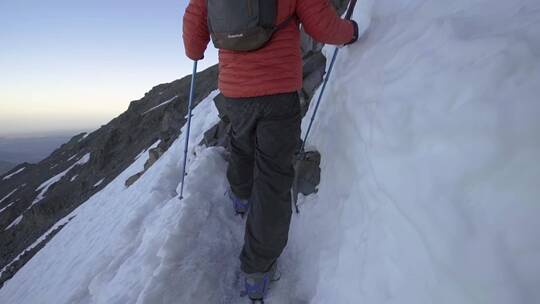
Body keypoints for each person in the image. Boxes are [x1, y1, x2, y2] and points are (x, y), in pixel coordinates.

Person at [183, 0, 358, 300]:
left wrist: (199, 50)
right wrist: (351, 31)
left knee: (241, 141)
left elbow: (192, 42)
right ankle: (257, 271)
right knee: (273, 177)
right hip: (279, 92)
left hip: (235, 93)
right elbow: (324, 27)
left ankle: (240, 198)